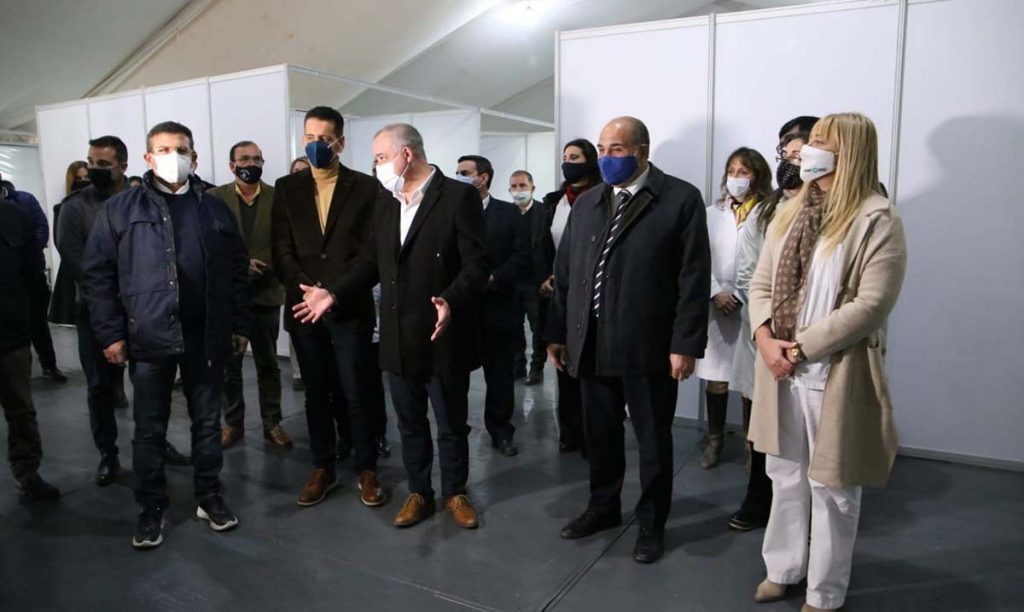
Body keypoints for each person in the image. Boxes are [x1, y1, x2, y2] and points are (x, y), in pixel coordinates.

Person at [294, 123, 489, 530]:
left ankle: (456, 492)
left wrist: (451, 299)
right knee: (410, 422)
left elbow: (476, 264)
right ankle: (420, 492)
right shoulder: (385, 201)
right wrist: (333, 293)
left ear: (406, 154)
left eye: (381, 157)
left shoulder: (457, 197)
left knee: (451, 423)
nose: (377, 165)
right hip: (399, 332)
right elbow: (370, 261)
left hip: (441, 332)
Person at [749, 113, 906, 612]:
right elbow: (760, 283)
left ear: (850, 151)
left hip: (833, 369)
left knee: (833, 485)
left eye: (820, 142)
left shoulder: (876, 217)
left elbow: (871, 304)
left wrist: (801, 348)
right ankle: (783, 568)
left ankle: (824, 592)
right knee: (784, 473)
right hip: (780, 367)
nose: (806, 151)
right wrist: (765, 339)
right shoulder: (790, 209)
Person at [547, 116, 710, 564]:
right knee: (600, 435)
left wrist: (685, 344)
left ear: (642, 151)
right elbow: (566, 274)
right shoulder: (589, 202)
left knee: (653, 440)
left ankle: (651, 523)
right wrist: (557, 332)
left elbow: (693, 277)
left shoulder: (679, 199)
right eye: (601, 149)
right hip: (592, 341)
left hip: (648, 345)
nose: (606, 158)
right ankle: (603, 507)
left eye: (616, 149)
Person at [82, 120, 251, 550]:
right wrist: (111, 334)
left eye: (180, 149)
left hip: (205, 335)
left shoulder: (215, 207)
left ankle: (209, 495)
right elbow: (98, 275)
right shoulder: (120, 210)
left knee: (207, 424)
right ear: (147, 158)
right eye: (162, 149)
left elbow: (236, 272)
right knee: (148, 428)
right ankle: (151, 505)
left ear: (194, 156)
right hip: (149, 336)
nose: (172, 157)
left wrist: (239, 325)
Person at [272, 107, 386, 509]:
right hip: (305, 309)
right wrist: (307, 291)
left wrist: (333, 293)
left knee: (357, 391)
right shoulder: (287, 187)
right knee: (316, 394)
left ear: (340, 142)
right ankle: (323, 466)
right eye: (309, 137)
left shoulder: (366, 188)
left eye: (323, 138)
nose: (315, 145)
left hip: (348, 306)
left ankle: (367, 467)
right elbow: (281, 249)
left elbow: (372, 254)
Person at [727, 123, 814, 532]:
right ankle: (759, 497)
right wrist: (767, 330)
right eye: (785, 154)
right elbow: (749, 274)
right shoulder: (765, 212)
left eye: (799, 155)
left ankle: (808, 511)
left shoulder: (840, 208)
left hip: (813, 339)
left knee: (810, 433)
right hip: (764, 336)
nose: (789, 162)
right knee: (763, 425)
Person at [55, 136, 136, 486]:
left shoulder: (140, 201)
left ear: (123, 165)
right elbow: (77, 262)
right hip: (95, 310)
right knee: (100, 387)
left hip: (141, 309)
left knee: (151, 384)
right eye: (91, 162)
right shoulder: (75, 208)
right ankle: (108, 453)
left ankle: (155, 443)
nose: (93, 170)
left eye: (103, 164)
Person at [696, 148, 773, 469]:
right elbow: (697, 256)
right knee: (716, 378)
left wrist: (742, 294)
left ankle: (751, 444)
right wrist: (716, 292)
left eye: (744, 172)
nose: (736, 178)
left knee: (749, 382)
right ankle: (715, 440)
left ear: (758, 175)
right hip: (716, 306)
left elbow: (768, 260)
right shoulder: (711, 213)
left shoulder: (770, 212)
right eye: (731, 171)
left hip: (752, 306)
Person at [213, 141, 292, 449]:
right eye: (244, 159)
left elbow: (286, 240)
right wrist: (239, 265)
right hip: (228, 296)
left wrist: (265, 265)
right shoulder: (214, 198)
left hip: (266, 290)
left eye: (257, 158)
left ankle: (272, 422)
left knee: (268, 363)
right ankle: (233, 423)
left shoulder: (278, 197)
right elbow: (207, 243)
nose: (251, 164)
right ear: (232, 165)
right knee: (229, 365)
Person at [456, 155, 530, 457]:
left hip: (498, 307)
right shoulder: (451, 209)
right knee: (455, 376)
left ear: (483, 177)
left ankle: (501, 431)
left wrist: (494, 278)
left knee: (499, 375)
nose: (459, 176)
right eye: (457, 172)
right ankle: (455, 430)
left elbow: (522, 256)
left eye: (464, 172)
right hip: (461, 308)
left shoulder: (509, 214)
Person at [540, 139, 602, 455]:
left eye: (575, 157)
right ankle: (569, 430)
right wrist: (546, 276)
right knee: (563, 362)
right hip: (558, 292)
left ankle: (594, 434)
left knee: (590, 369)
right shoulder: (554, 202)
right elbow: (542, 244)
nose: (568, 163)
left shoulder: (603, 198)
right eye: (565, 157)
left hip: (592, 294)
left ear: (589, 161)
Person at [0, 193, 61, 501]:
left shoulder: (14, 216)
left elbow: (32, 274)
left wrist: (31, 322)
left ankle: (27, 472)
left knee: (21, 410)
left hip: (10, 333)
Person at [0, 173, 66, 383]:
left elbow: (40, 227)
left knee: (38, 322)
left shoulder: (23, 201)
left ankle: (49, 364)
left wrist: (27, 251)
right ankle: (21, 371)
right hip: (8, 280)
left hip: (30, 274)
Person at [509, 170, 547, 386]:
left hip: (536, 282)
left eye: (522, 185)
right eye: (514, 186)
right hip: (513, 281)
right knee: (514, 326)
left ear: (532, 188)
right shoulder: (507, 214)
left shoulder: (544, 212)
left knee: (537, 327)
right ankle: (518, 366)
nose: (518, 190)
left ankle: (537, 368)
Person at [286, 155, 310, 391]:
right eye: (296, 171)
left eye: (305, 170)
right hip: (295, 278)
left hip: (321, 282)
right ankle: (298, 371)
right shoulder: (284, 201)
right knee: (297, 326)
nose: (300, 175)